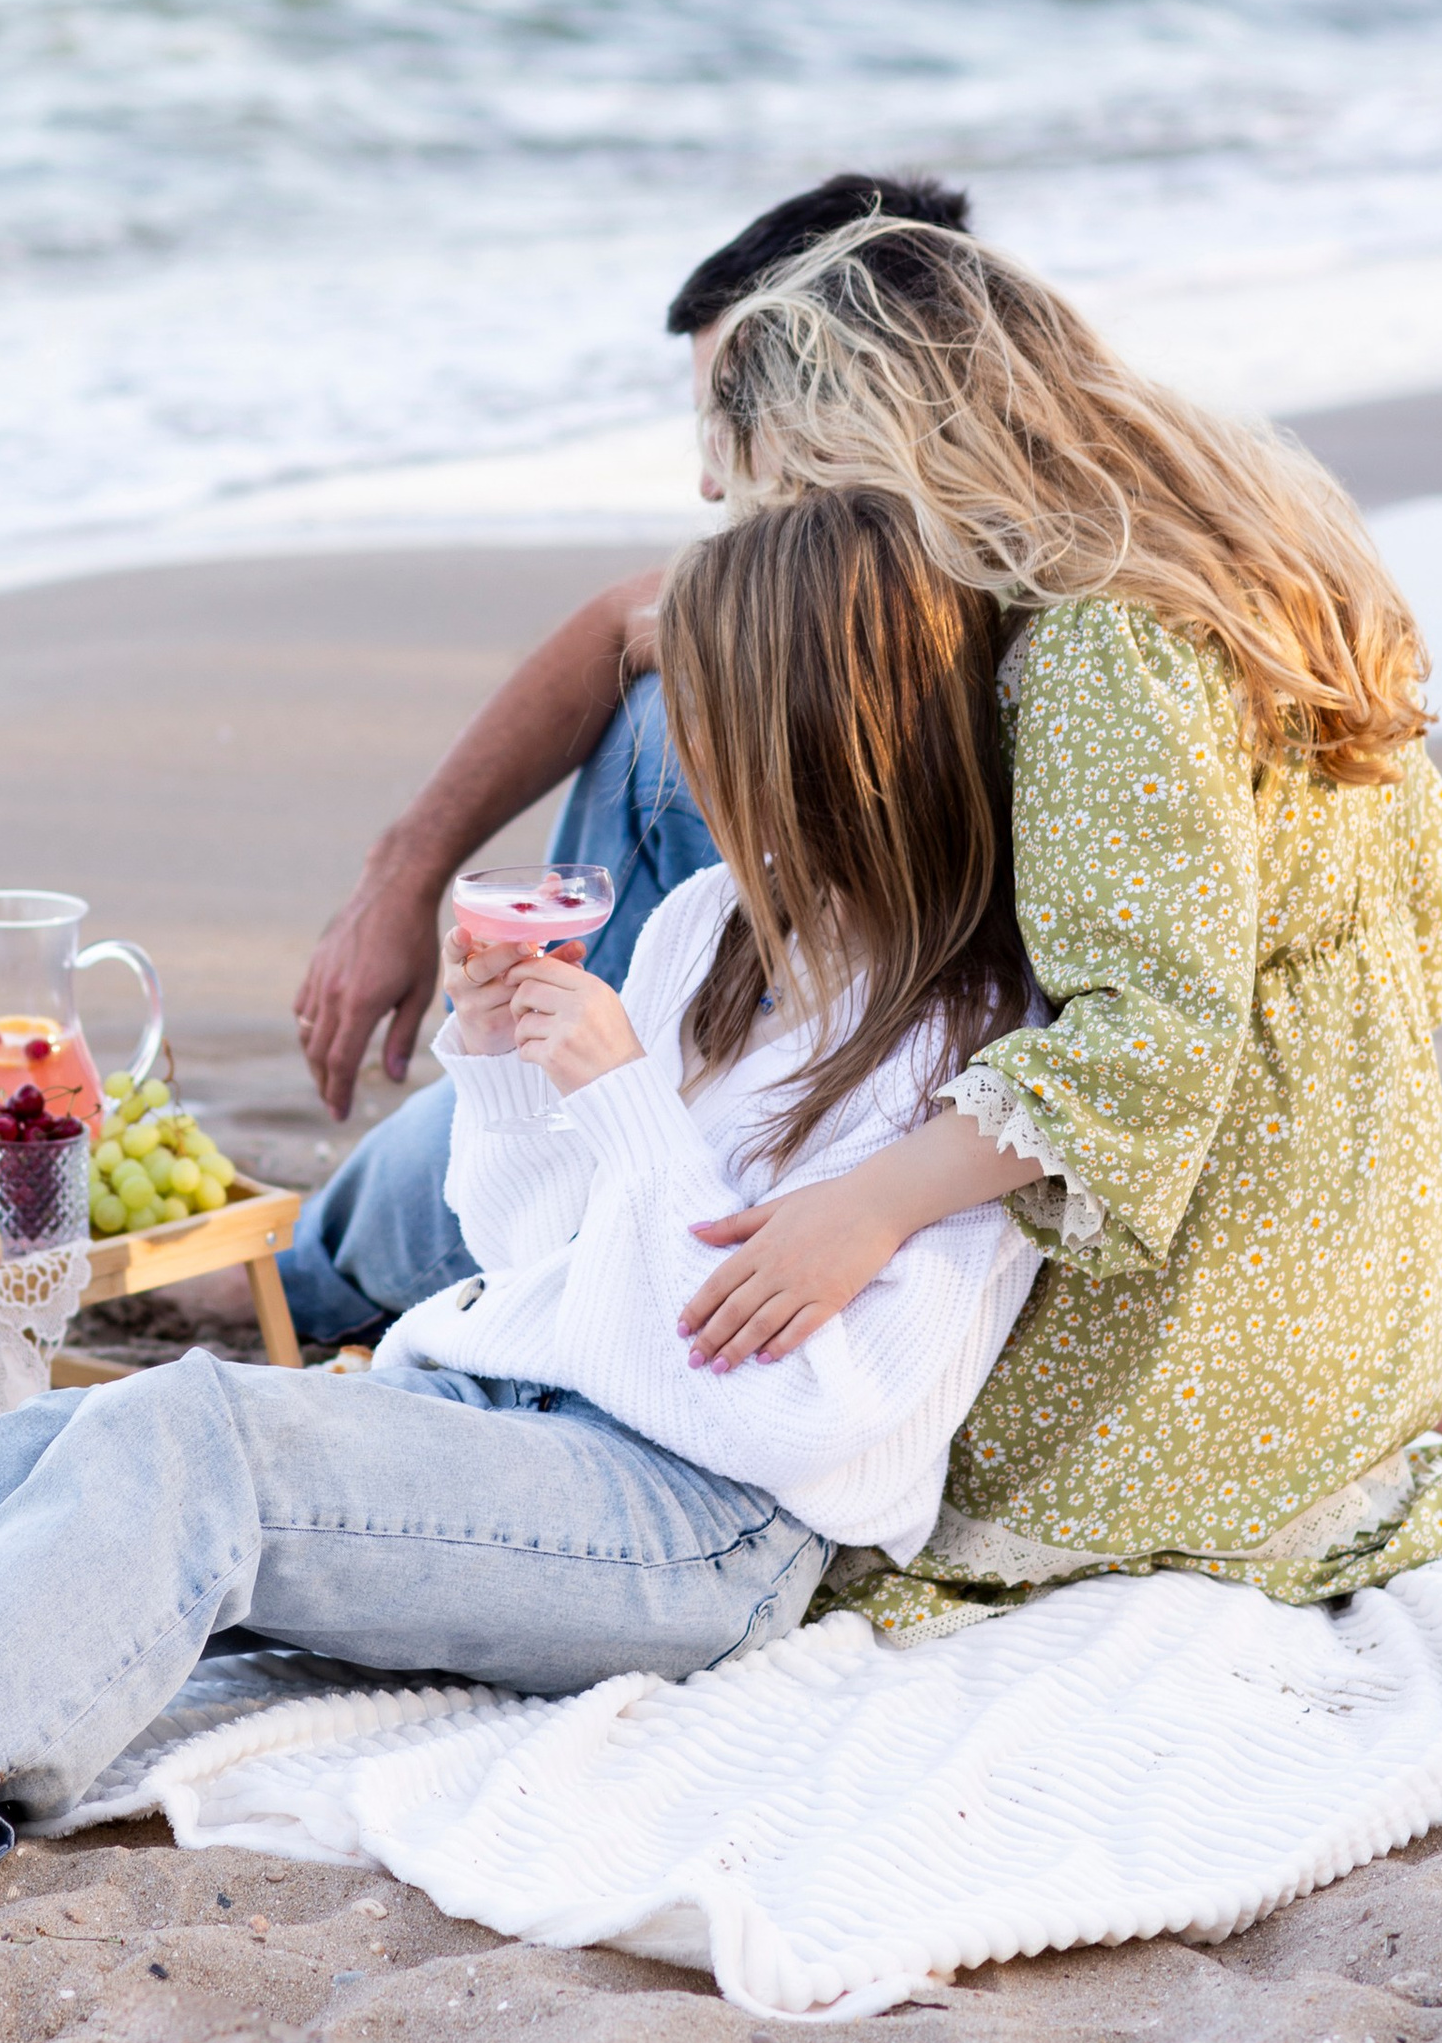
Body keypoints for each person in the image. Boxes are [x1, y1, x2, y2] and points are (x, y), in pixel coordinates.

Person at [0, 489, 1044, 1933]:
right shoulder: (707, 944)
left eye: (714, 739)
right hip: (517, 1416)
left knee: (202, 1447)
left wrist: (622, 1105)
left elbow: (810, 1419)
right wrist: (505, 1057)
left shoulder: (964, 1048)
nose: (685, 777)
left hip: (705, 1526)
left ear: (828, 747)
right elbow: (535, 1251)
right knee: (77, 1442)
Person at [666, 209, 1442, 1637]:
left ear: (881, 459)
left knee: (836, 1448)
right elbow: (1424, 927)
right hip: (1357, 1246)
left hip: (1215, 1330)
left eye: (790, 505)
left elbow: (1154, 1037)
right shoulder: (1256, 546)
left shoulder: (1104, 639)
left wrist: (873, 1204)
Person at [277, 168, 974, 1350]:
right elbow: (623, 617)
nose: (706, 480)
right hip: (713, 1057)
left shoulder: (992, 607)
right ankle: (473, 1128)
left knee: (676, 723)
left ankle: (308, 1280)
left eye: (722, 418)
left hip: (795, 1164)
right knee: (669, 694)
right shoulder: (874, 548)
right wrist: (401, 871)